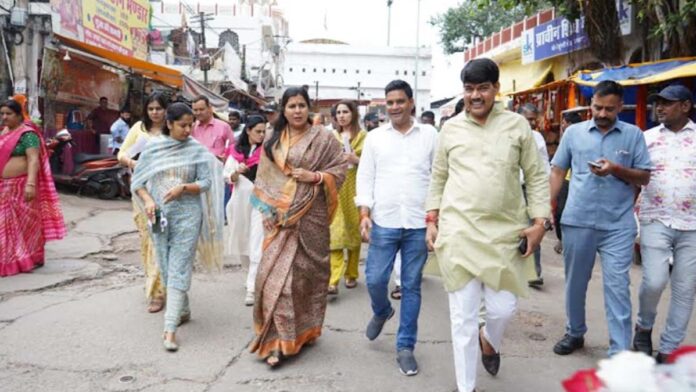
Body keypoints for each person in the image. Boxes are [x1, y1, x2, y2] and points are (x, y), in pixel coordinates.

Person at [425, 59, 550, 392]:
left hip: (505, 233)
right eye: (469, 89)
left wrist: (540, 222)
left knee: (502, 309)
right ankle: (467, 387)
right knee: (462, 318)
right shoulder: (450, 129)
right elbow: (438, 177)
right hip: (459, 233)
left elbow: (537, 176)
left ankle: (489, 339)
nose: (475, 95)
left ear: (497, 88)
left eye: (482, 88)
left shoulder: (517, 126)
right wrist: (432, 219)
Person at [550, 80, 652, 357]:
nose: (603, 114)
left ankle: (619, 350)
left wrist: (616, 169)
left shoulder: (633, 135)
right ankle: (574, 332)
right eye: (598, 107)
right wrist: (548, 207)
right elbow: (558, 170)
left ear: (620, 106)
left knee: (618, 286)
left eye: (609, 109)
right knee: (575, 282)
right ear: (591, 104)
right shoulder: (574, 134)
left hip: (618, 224)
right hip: (577, 219)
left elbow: (644, 176)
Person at [249, 87, 347, 367]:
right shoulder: (273, 139)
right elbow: (265, 177)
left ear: (309, 107)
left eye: (302, 105)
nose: (297, 111)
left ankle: (302, 333)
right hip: (279, 218)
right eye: (291, 106)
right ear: (283, 109)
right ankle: (277, 342)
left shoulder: (324, 138)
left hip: (312, 216)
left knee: (305, 280)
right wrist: (266, 211)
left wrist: (316, 176)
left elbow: (339, 169)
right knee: (275, 281)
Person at [356, 79, 438, 376]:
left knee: (412, 286)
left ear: (411, 103)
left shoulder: (430, 135)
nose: (394, 107)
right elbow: (365, 177)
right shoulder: (375, 138)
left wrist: (434, 219)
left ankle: (405, 347)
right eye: (389, 102)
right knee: (376, 279)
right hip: (384, 220)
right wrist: (364, 212)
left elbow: (438, 177)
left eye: (400, 101)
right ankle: (382, 311)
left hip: (418, 223)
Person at [131, 102, 223, 352]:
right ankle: (182, 309)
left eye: (190, 124)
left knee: (180, 265)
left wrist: (184, 188)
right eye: (182, 125)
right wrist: (149, 201)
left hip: (189, 216)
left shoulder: (196, 150)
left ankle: (169, 329)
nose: (187, 130)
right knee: (165, 263)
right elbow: (137, 181)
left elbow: (205, 182)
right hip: (158, 216)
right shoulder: (152, 149)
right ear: (168, 124)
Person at [633, 85, 696, 364]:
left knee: (684, 288)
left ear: (685, 106)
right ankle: (644, 326)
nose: (659, 108)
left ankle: (669, 348)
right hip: (654, 218)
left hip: (693, 226)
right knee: (655, 280)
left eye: (667, 103)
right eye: (657, 103)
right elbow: (634, 177)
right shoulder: (646, 139)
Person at [0, 99, 66, 277]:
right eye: (2, 113)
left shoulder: (28, 134)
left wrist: (30, 184)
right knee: (4, 226)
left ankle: (25, 257)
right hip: (3, 186)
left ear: (19, 115)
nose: (4, 117)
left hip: (21, 185)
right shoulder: (4, 132)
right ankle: (10, 258)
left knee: (24, 225)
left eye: (9, 114)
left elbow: (33, 160)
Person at [118, 93, 168, 313]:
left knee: (161, 240)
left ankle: (159, 293)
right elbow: (121, 154)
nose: (155, 113)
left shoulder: (173, 129)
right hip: (140, 191)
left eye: (158, 108)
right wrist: (133, 162)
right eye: (151, 109)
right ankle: (153, 283)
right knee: (147, 241)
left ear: (166, 109)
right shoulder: (139, 129)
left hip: (166, 191)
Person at [223, 115, 266, 306]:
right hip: (239, 201)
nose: (262, 135)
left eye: (264, 131)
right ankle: (251, 274)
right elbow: (227, 177)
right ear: (248, 130)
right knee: (242, 240)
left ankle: (252, 287)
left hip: (260, 202)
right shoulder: (236, 151)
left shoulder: (268, 151)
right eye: (258, 131)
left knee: (257, 241)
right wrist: (236, 172)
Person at [328, 100, 366, 295]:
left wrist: (356, 159)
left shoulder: (365, 137)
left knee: (353, 229)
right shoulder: (331, 137)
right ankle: (333, 280)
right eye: (339, 112)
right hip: (336, 188)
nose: (342, 115)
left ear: (353, 114)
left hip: (358, 188)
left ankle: (351, 273)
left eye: (346, 111)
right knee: (335, 232)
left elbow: (373, 163)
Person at [517, 103, 551, 287]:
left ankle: (534, 273)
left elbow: (544, 164)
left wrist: (545, 190)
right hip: (513, 190)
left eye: (533, 119)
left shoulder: (537, 138)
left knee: (535, 228)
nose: (530, 122)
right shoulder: (507, 134)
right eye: (527, 118)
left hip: (532, 190)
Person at [553, 111, 583, 254]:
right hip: (565, 179)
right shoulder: (566, 137)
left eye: (564, 122)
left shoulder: (583, 136)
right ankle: (561, 239)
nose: (562, 125)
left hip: (579, 181)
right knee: (560, 211)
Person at [191, 96, 234, 161]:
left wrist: (225, 157)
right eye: (195, 110)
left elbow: (233, 149)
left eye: (201, 109)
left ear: (210, 108)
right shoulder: (192, 128)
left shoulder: (224, 127)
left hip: (217, 168)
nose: (198, 113)